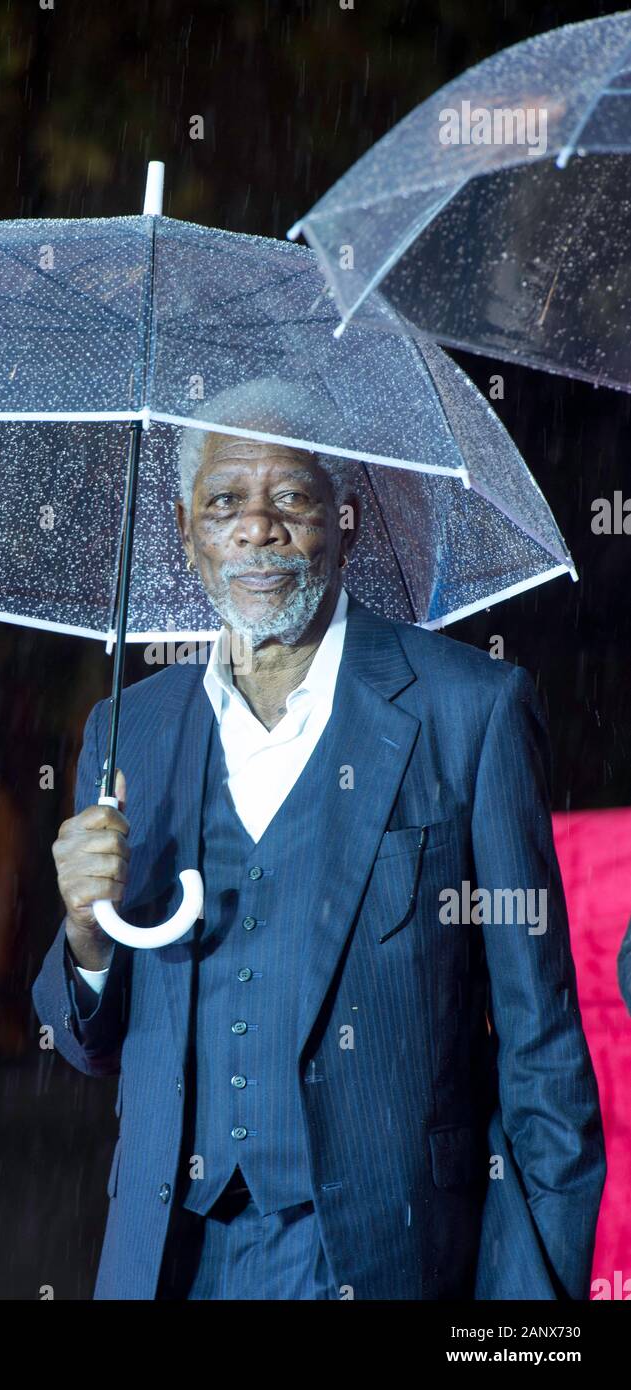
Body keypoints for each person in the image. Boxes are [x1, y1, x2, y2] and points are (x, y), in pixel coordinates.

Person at [33, 380, 606, 1300]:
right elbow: (84, 1044)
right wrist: (86, 938)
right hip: (171, 1263)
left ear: (344, 519)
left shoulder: (469, 710)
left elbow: (542, 1054)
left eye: (289, 497)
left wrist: (527, 1327)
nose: (256, 527)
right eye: (224, 502)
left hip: (390, 1260)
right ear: (186, 533)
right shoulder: (124, 732)